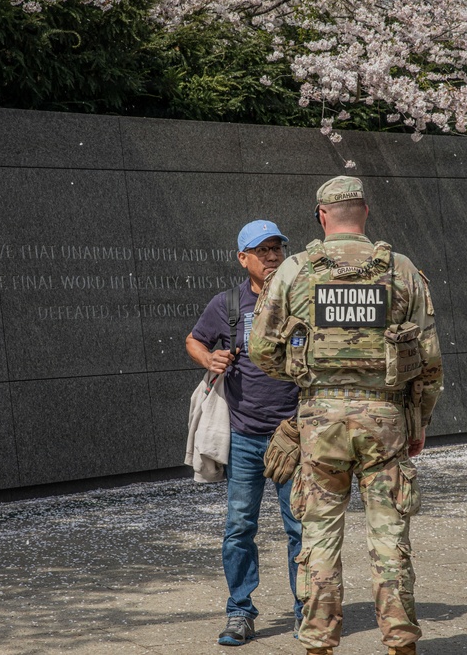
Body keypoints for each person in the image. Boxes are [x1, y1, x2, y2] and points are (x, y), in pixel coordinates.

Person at [249, 176, 443, 655]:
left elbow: (260, 348)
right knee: (389, 538)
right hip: (386, 417)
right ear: (366, 212)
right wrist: (418, 421)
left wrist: (302, 376)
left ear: (321, 215)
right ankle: (400, 644)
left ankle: (318, 644)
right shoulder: (400, 270)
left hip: (320, 420)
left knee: (317, 536)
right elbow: (430, 360)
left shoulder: (294, 270)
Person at [185, 220, 303, 646]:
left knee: (301, 530)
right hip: (245, 435)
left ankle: (306, 610)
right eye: (263, 250)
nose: (272, 256)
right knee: (239, 527)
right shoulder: (228, 303)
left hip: (295, 435)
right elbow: (194, 340)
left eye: (278, 248)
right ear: (243, 258)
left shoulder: (302, 296)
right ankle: (239, 612)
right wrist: (209, 359)